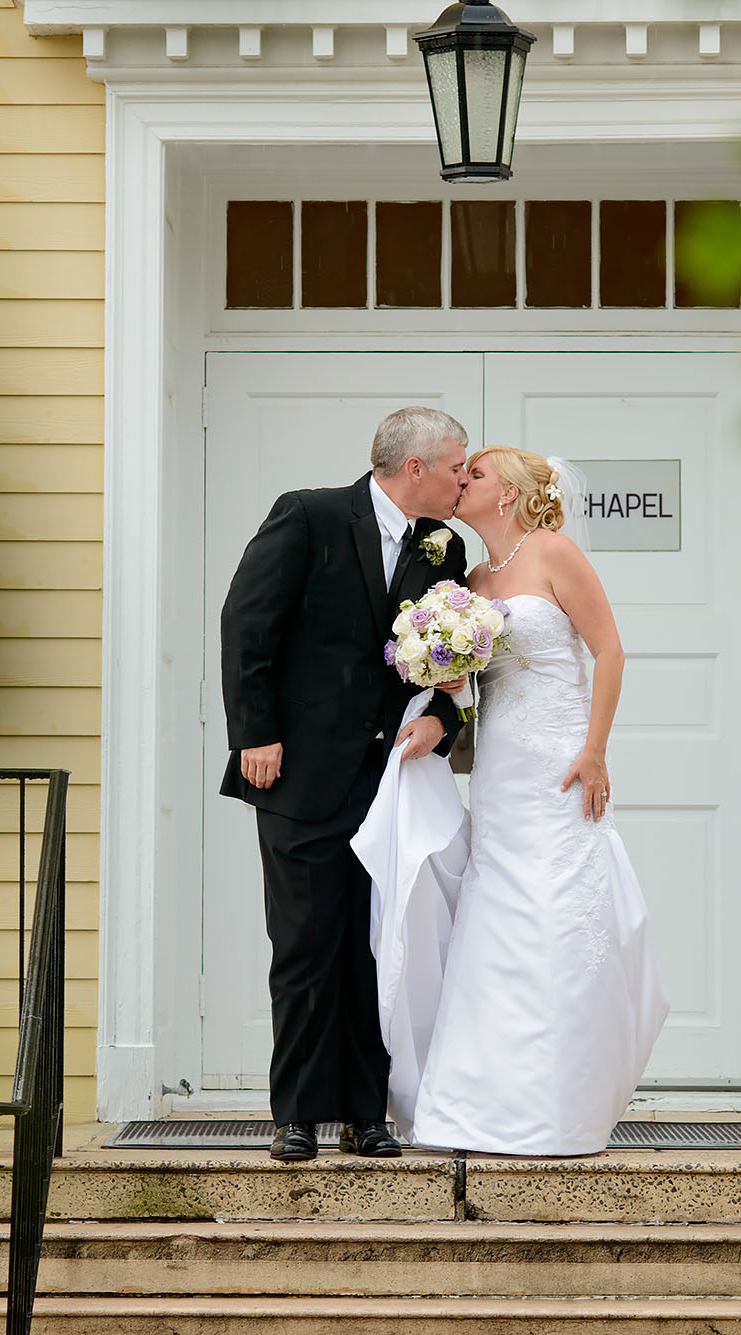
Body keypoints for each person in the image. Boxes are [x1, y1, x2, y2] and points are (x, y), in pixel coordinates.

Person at [218, 406, 471, 1163]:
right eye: (458, 465)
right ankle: (297, 1112)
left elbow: (455, 671)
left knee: (374, 946)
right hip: (297, 773)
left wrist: (446, 728)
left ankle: (368, 1113)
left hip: (390, 780)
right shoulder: (309, 515)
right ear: (416, 468)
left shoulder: (445, 548)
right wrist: (254, 732)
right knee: (303, 945)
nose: (465, 477)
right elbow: (246, 622)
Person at [403, 447, 668, 1155]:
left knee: (554, 911)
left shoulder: (554, 552)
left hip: (559, 763)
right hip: (498, 768)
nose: (464, 482)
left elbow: (609, 651)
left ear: (512, 492)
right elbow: (472, 684)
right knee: (494, 918)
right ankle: (476, 1102)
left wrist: (595, 748)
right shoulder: (471, 577)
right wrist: (448, 678)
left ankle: (561, 1101)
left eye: (477, 474)